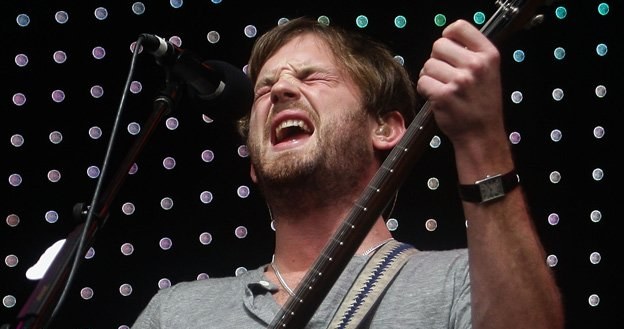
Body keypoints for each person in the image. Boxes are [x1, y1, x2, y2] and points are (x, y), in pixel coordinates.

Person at [131, 17, 564, 328]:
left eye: (312, 77)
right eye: (264, 88)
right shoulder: (176, 313)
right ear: (254, 166)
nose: (279, 90)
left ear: (386, 127)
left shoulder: (465, 282)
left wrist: (479, 139)